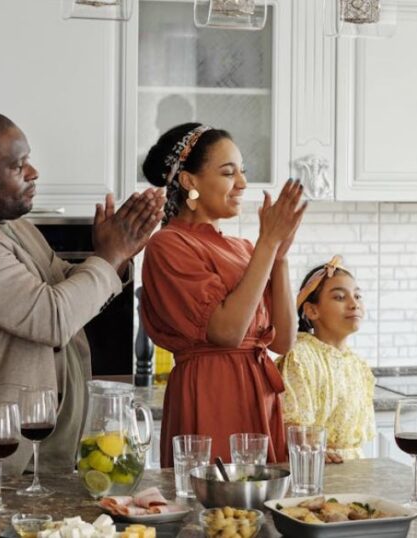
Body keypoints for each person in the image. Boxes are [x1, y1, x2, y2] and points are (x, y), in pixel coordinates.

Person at [0, 110, 164, 477]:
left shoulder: (10, 225)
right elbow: (52, 318)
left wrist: (114, 257)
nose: (33, 172)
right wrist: (109, 255)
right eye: (18, 166)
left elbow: (66, 286)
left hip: (35, 455)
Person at [139, 122, 306, 467]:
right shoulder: (169, 244)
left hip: (259, 393)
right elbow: (226, 332)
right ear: (190, 181)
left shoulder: (245, 248)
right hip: (211, 394)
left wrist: (281, 257)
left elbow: (284, 342)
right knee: (213, 508)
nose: (242, 183)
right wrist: (269, 244)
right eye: (229, 173)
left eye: (242, 172)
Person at [276, 255, 375, 463]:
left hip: (355, 468)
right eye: (340, 297)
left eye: (357, 296)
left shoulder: (359, 365)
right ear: (312, 310)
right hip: (317, 468)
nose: (354, 304)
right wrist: (315, 449)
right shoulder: (300, 357)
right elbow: (291, 427)